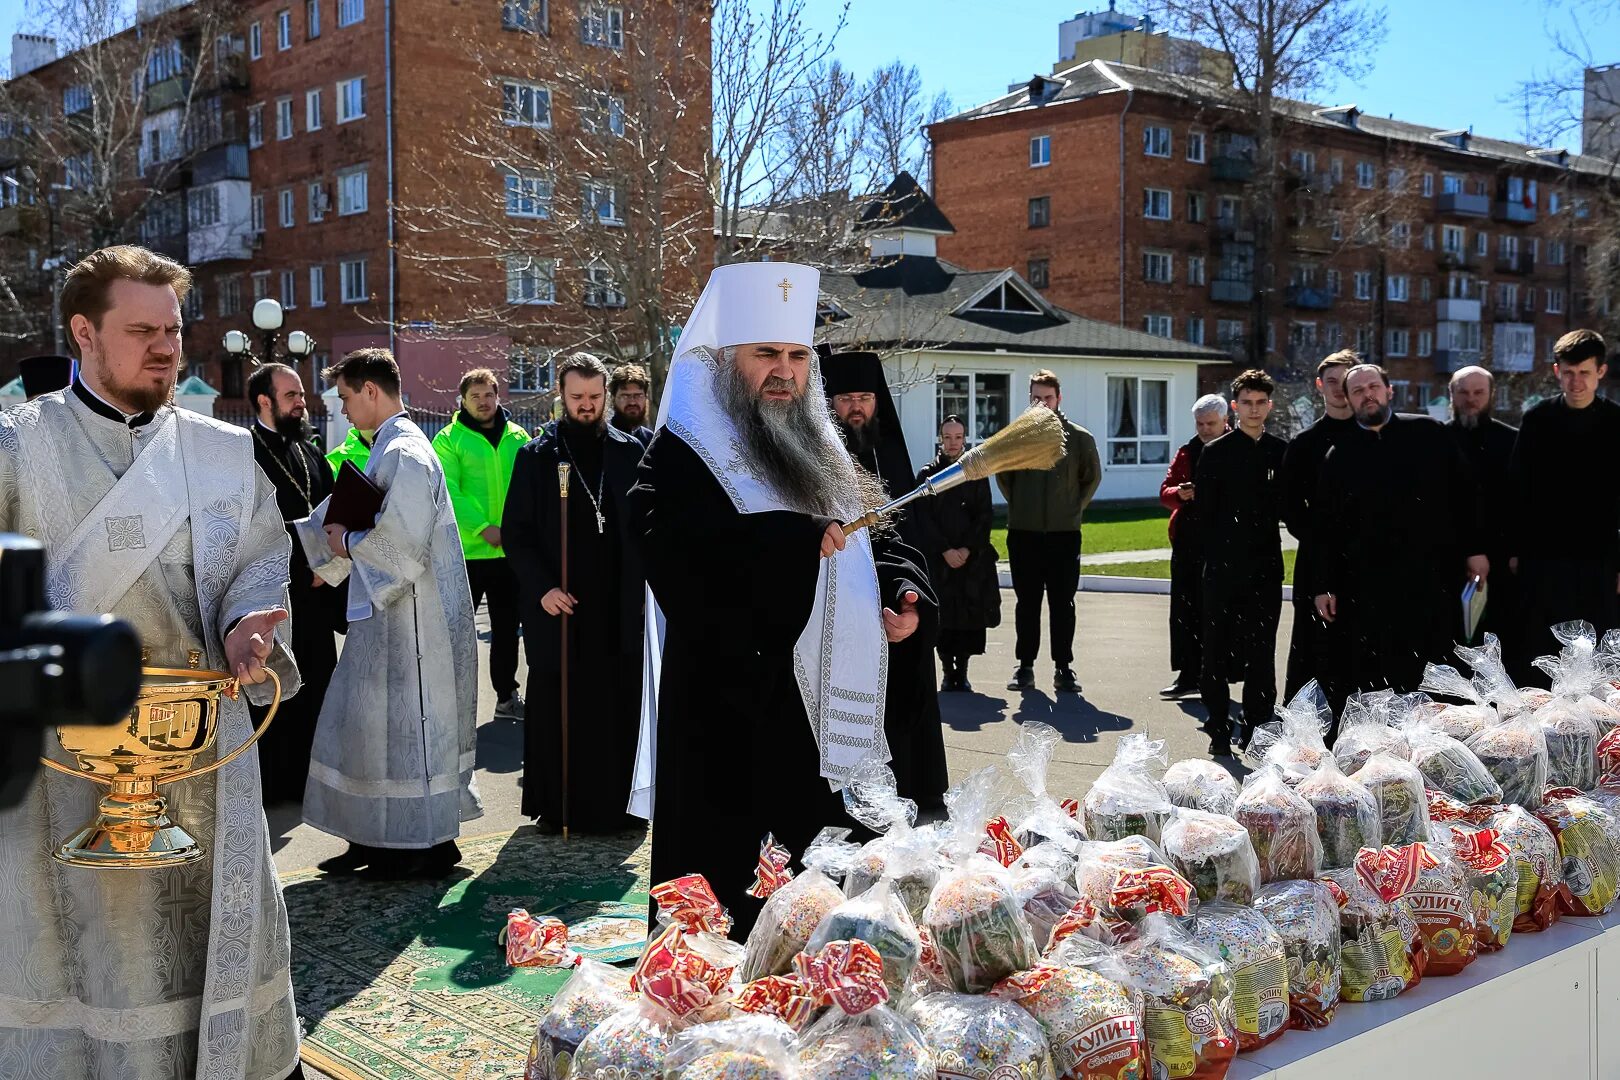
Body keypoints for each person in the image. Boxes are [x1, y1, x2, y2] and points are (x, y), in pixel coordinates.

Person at [0, 245, 303, 1078]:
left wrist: (250, 625)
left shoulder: (219, 451)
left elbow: (260, 558)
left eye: (173, 329)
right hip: (63, 771)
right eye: (143, 330)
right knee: (89, 966)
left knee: (213, 953)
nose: (168, 347)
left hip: (201, 764)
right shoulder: (17, 446)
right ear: (83, 332)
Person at [629, 261, 931, 935]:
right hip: (731, 707)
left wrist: (905, 589)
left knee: (820, 886)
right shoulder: (685, 447)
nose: (784, 370)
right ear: (726, 356)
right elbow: (663, 542)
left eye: (796, 355)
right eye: (766, 353)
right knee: (733, 899)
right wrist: (788, 542)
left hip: (817, 710)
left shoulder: (817, 439)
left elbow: (864, 533)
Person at [296, 348, 482, 879]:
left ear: (372, 392)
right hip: (387, 617)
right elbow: (354, 512)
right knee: (367, 728)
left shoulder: (407, 452)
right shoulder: (385, 448)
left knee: (406, 733)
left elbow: (402, 544)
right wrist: (325, 550)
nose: (345, 410)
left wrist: (344, 541)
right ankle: (373, 836)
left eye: (348, 398)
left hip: (414, 624)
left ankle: (417, 843)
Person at [503, 352, 646, 833]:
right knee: (561, 700)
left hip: (617, 603)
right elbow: (516, 532)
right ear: (561, 397)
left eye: (594, 397)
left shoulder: (629, 452)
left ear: (606, 395)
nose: (586, 406)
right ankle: (559, 804)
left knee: (617, 700)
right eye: (577, 397)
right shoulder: (538, 456)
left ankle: (619, 804)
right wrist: (542, 587)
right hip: (559, 605)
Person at [1314, 364, 1487, 706]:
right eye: (1358, 390)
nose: (1368, 395)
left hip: (1433, 576)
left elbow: (1466, 496)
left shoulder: (1429, 432)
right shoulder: (1341, 454)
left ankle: (1438, 748)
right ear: (1348, 399)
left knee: (1436, 665)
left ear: (1389, 390)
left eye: (1373, 386)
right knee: (1377, 672)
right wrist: (1324, 584)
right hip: (1368, 585)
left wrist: (1475, 550)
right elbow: (1327, 527)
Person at [825, 348, 947, 809]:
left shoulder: (892, 459)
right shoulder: (817, 462)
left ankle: (913, 793)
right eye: (845, 399)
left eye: (865, 397)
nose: (856, 407)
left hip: (894, 611)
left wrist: (912, 599)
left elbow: (909, 544)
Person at [248, 361, 341, 805]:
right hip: (273, 596)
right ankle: (276, 783)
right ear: (264, 401)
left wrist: (330, 564)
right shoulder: (243, 453)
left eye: (302, 394)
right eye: (291, 396)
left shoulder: (310, 452)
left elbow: (334, 511)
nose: (303, 403)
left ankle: (312, 777)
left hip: (319, 596)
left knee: (319, 684)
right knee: (277, 689)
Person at [1506, 329, 1620, 682]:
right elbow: (1518, 487)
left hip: (1600, 556)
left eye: (1584, 372)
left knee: (1599, 648)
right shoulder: (1538, 419)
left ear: (1600, 372)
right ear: (1557, 372)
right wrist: (1514, 549)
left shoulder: (1617, 423)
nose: (1576, 381)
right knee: (1542, 647)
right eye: (1568, 373)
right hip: (1545, 555)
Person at [1195, 371, 1288, 756]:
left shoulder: (1281, 452)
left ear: (1269, 406)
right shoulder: (1215, 453)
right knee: (1215, 650)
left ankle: (1256, 728)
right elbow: (1204, 516)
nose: (1253, 409)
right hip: (1222, 568)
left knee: (1262, 653)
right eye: (1246, 402)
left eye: (1260, 402)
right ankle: (1218, 727)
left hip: (1265, 567)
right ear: (1235, 406)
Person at [432, 367, 532, 720]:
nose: (483, 402)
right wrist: (482, 527)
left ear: (497, 395)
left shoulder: (519, 438)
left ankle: (506, 698)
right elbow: (448, 490)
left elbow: (529, 488)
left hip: (510, 553)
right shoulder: (447, 439)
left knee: (506, 631)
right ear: (462, 400)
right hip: (468, 553)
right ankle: (448, 704)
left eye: (488, 394)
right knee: (456, 632)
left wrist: (514, 529)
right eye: (475, 396)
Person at [997, 369, 1102, 694]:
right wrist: (1021, 506)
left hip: (1063, 534)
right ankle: (1024, 667)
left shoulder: (1079, 438)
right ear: (1029, 398)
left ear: (1059, 399)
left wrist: (1071, 509)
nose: (1042, 403)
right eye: (1036, 398)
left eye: (1048, 397)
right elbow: (1004, 477)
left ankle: (1063, 667)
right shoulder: (1016, 437)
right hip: (1024, 532)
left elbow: (1091, 478)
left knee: (1062, 602)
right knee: (1027, 602)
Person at [1279, 351, 1359, 702]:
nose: (1340, 389)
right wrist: (1325, 547)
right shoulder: (1304, 443)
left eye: (1347, 381)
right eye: (1332, 382)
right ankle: (1306, 737)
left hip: (1368, 564)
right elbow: (1292, 509)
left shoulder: (1376, 436)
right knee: (1312, 653)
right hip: (1317, 564)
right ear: (1318, 386)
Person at [915, 415, 1000, 693]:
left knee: (967, 617)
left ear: (965, 439)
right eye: (948, 437)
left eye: (958, 437)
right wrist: (944, 549)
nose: (953, 443)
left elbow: (985, 515)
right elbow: (922, 517)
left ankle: (961, 672)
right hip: (939, 560)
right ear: (940, 438)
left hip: (969, 561)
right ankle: (946, 670)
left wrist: (967, 549)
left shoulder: (976, 472)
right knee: (942, 617)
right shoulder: (928, 475)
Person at [1158, 394, 1228, 699]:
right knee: (1184, 610)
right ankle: (1187, 674)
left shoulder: (1234, 449)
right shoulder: (1187, 451)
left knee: (1213, 611)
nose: (1205, 429)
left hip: (1221, 542)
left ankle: (1214, 674)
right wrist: (1181, 494)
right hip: (1187, 542)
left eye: (1211, 423)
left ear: (1225, 421)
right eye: (1200, 423)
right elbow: (1165, 492)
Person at [1447, 365, 1518, 646]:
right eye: (1463, 392)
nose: (1471, 399)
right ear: (1451, 394)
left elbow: (1521, 501)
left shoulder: (1512, 440)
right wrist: (1468, 551)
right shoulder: (1437, 440)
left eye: (1479, 392)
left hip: (1503, 560)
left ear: (1491, 395)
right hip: (1450, 557)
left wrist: (1515, 551)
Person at [609, 362, 656, 447]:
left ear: (646, 397)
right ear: (613, 398)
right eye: (625, 396)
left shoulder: (650, 440)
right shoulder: (602, 438)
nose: (632, 402)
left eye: (638, 395)